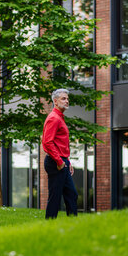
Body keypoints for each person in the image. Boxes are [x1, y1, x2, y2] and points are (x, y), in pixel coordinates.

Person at [42, 88, 78, 219]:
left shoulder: (59, 118)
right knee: (55, 196)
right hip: (55, 162)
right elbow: (47, 142)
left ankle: (73, 224)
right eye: (63, 98)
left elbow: (60, 143)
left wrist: (67, 161)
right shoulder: (54, 118)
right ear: (55, 101)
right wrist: (60, 161)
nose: (67, 101)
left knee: (71, 194)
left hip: (62, 161)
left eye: (67, 98)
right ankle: (49, 225)